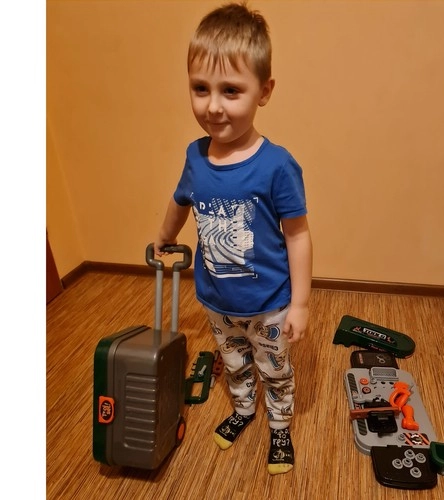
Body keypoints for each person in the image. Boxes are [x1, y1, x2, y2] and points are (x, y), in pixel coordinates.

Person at [154, 1, 312, 476]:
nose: (213, 106)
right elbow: (180, 200)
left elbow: (298, 235)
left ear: (264, 91)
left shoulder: (277, 165)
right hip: (216, 300)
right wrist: (164, 235)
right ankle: (244, 409)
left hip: (269, 304)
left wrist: (300, 303)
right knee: (235, 363)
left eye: (231, 90)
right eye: (200, 88)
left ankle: (279, 425)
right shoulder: (195, 156)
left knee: (274, 368)